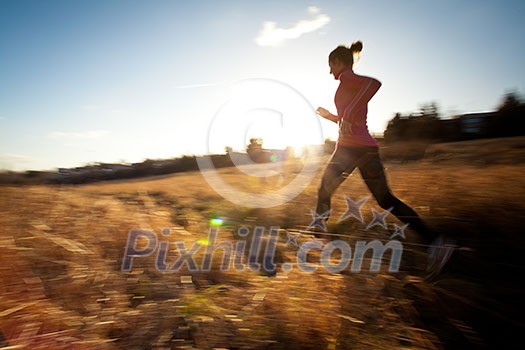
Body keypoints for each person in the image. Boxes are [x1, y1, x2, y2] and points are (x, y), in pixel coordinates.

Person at [313, 41, 454, 275]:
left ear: (339, 62)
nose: (330, 71)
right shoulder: (348, 83)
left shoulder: (349, 78)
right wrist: (332, 117)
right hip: (365, 148)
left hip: (350, 149)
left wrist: (345, 115)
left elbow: (374, 84)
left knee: (324, 188)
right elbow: (352, 121)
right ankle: (436, 243)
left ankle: (318, 235)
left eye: (331, 65)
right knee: (386, 200)